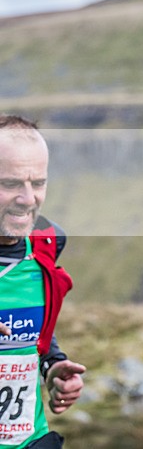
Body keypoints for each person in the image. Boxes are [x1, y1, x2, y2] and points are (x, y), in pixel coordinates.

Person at [0, 115, 85, 449]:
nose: (27, 198)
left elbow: (33, 335)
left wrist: (52, 365)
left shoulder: (47, 247)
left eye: (37, 183)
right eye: (9, 184)